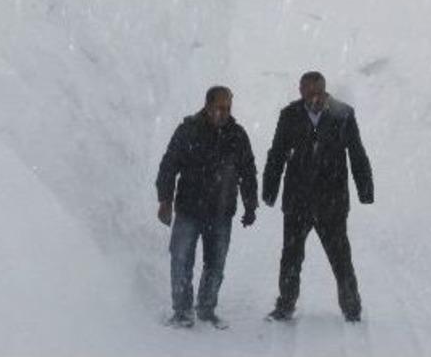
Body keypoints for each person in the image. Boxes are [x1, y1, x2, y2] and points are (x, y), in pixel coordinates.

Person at [262, 71, 374, 322]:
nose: (315, 98)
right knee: (291, 257)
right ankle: (285, 305)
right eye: (309, 93)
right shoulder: (289, 115)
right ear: (300, 91)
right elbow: (277, 153)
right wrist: (269, 190)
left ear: (325, 91)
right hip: (296, 201)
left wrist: (365, 189)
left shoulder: (343, 114)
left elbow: (357, 153)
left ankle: (351, 307)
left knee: (341, 257)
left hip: (332, 202)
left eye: (319, 93)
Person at [156, 85, 258, 328]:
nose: (224, 112)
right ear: (208, 106)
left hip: (221, 212)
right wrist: (165, 200)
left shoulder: (237, 135)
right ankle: (182, 312)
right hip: (188, 211)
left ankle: (206, 309)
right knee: (181, 260)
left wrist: (250, 205)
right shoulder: (188, 131)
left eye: (228, 107)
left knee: (216, 264)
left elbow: (248, 172)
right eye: (220, 107)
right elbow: (169, 165)